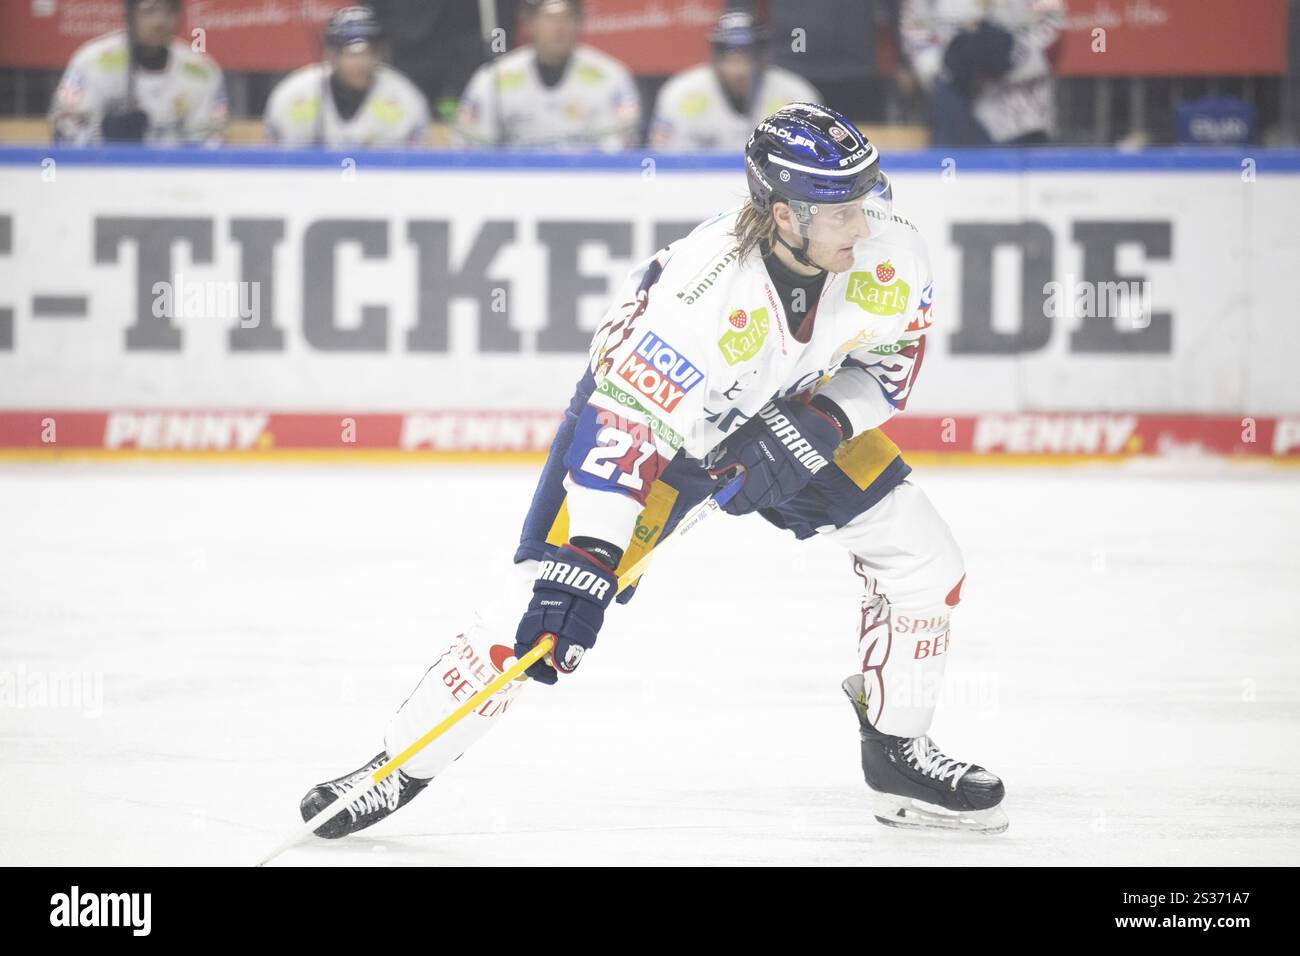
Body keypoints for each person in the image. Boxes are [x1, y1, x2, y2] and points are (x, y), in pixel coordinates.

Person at [298, 103, 1008, 838]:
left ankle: (897, 758)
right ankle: (391, 769)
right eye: (839, 213)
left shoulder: (891, 253)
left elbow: (887, 368)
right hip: (658, 437)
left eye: (866, 201)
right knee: (537, 612)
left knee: (926, 558)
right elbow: (626, 427)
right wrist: (589, 559)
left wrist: (820, 422)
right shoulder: (700, 297)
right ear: (781, 214)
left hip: (794, 411)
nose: (863, 228)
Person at [455, 0, 640, 150]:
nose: (559, 28)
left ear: (580, 23)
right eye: (550, 18)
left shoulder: (610, 77)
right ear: (529, 23)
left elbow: (618, 154)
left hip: (586, 186)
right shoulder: (494, 79)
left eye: (568, 17)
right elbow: (471, 151)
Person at [49, 0, 226, 146]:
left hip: (175, 181)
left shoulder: (202, 71)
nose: (160, 22)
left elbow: (211, 142)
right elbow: (64, 132)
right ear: (129, 14)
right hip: (101, 177)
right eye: (149, 10)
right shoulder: (91, 62)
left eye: (170, 11)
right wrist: (107, 140)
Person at [649, 10, 822, 151]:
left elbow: (813, 156)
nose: (739, 69)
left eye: (747, 56)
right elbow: (664, 157)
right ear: (715, 57)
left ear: (763, 57)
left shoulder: (795, 94)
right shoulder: (681, 93)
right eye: (730, 57)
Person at [901, 0, 1064, 146]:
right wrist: (947, 63)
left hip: (1022, 113)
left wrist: (1012, 53)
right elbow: (914, 29)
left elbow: (1053, 23)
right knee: (954, 173)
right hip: (954, 103)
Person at [263, 6, 430, 148]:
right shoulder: (293, 95)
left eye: (370, 52)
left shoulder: (404, 98)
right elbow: (274, 159)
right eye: (352, 54)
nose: (362, 63)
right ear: (332, 55)